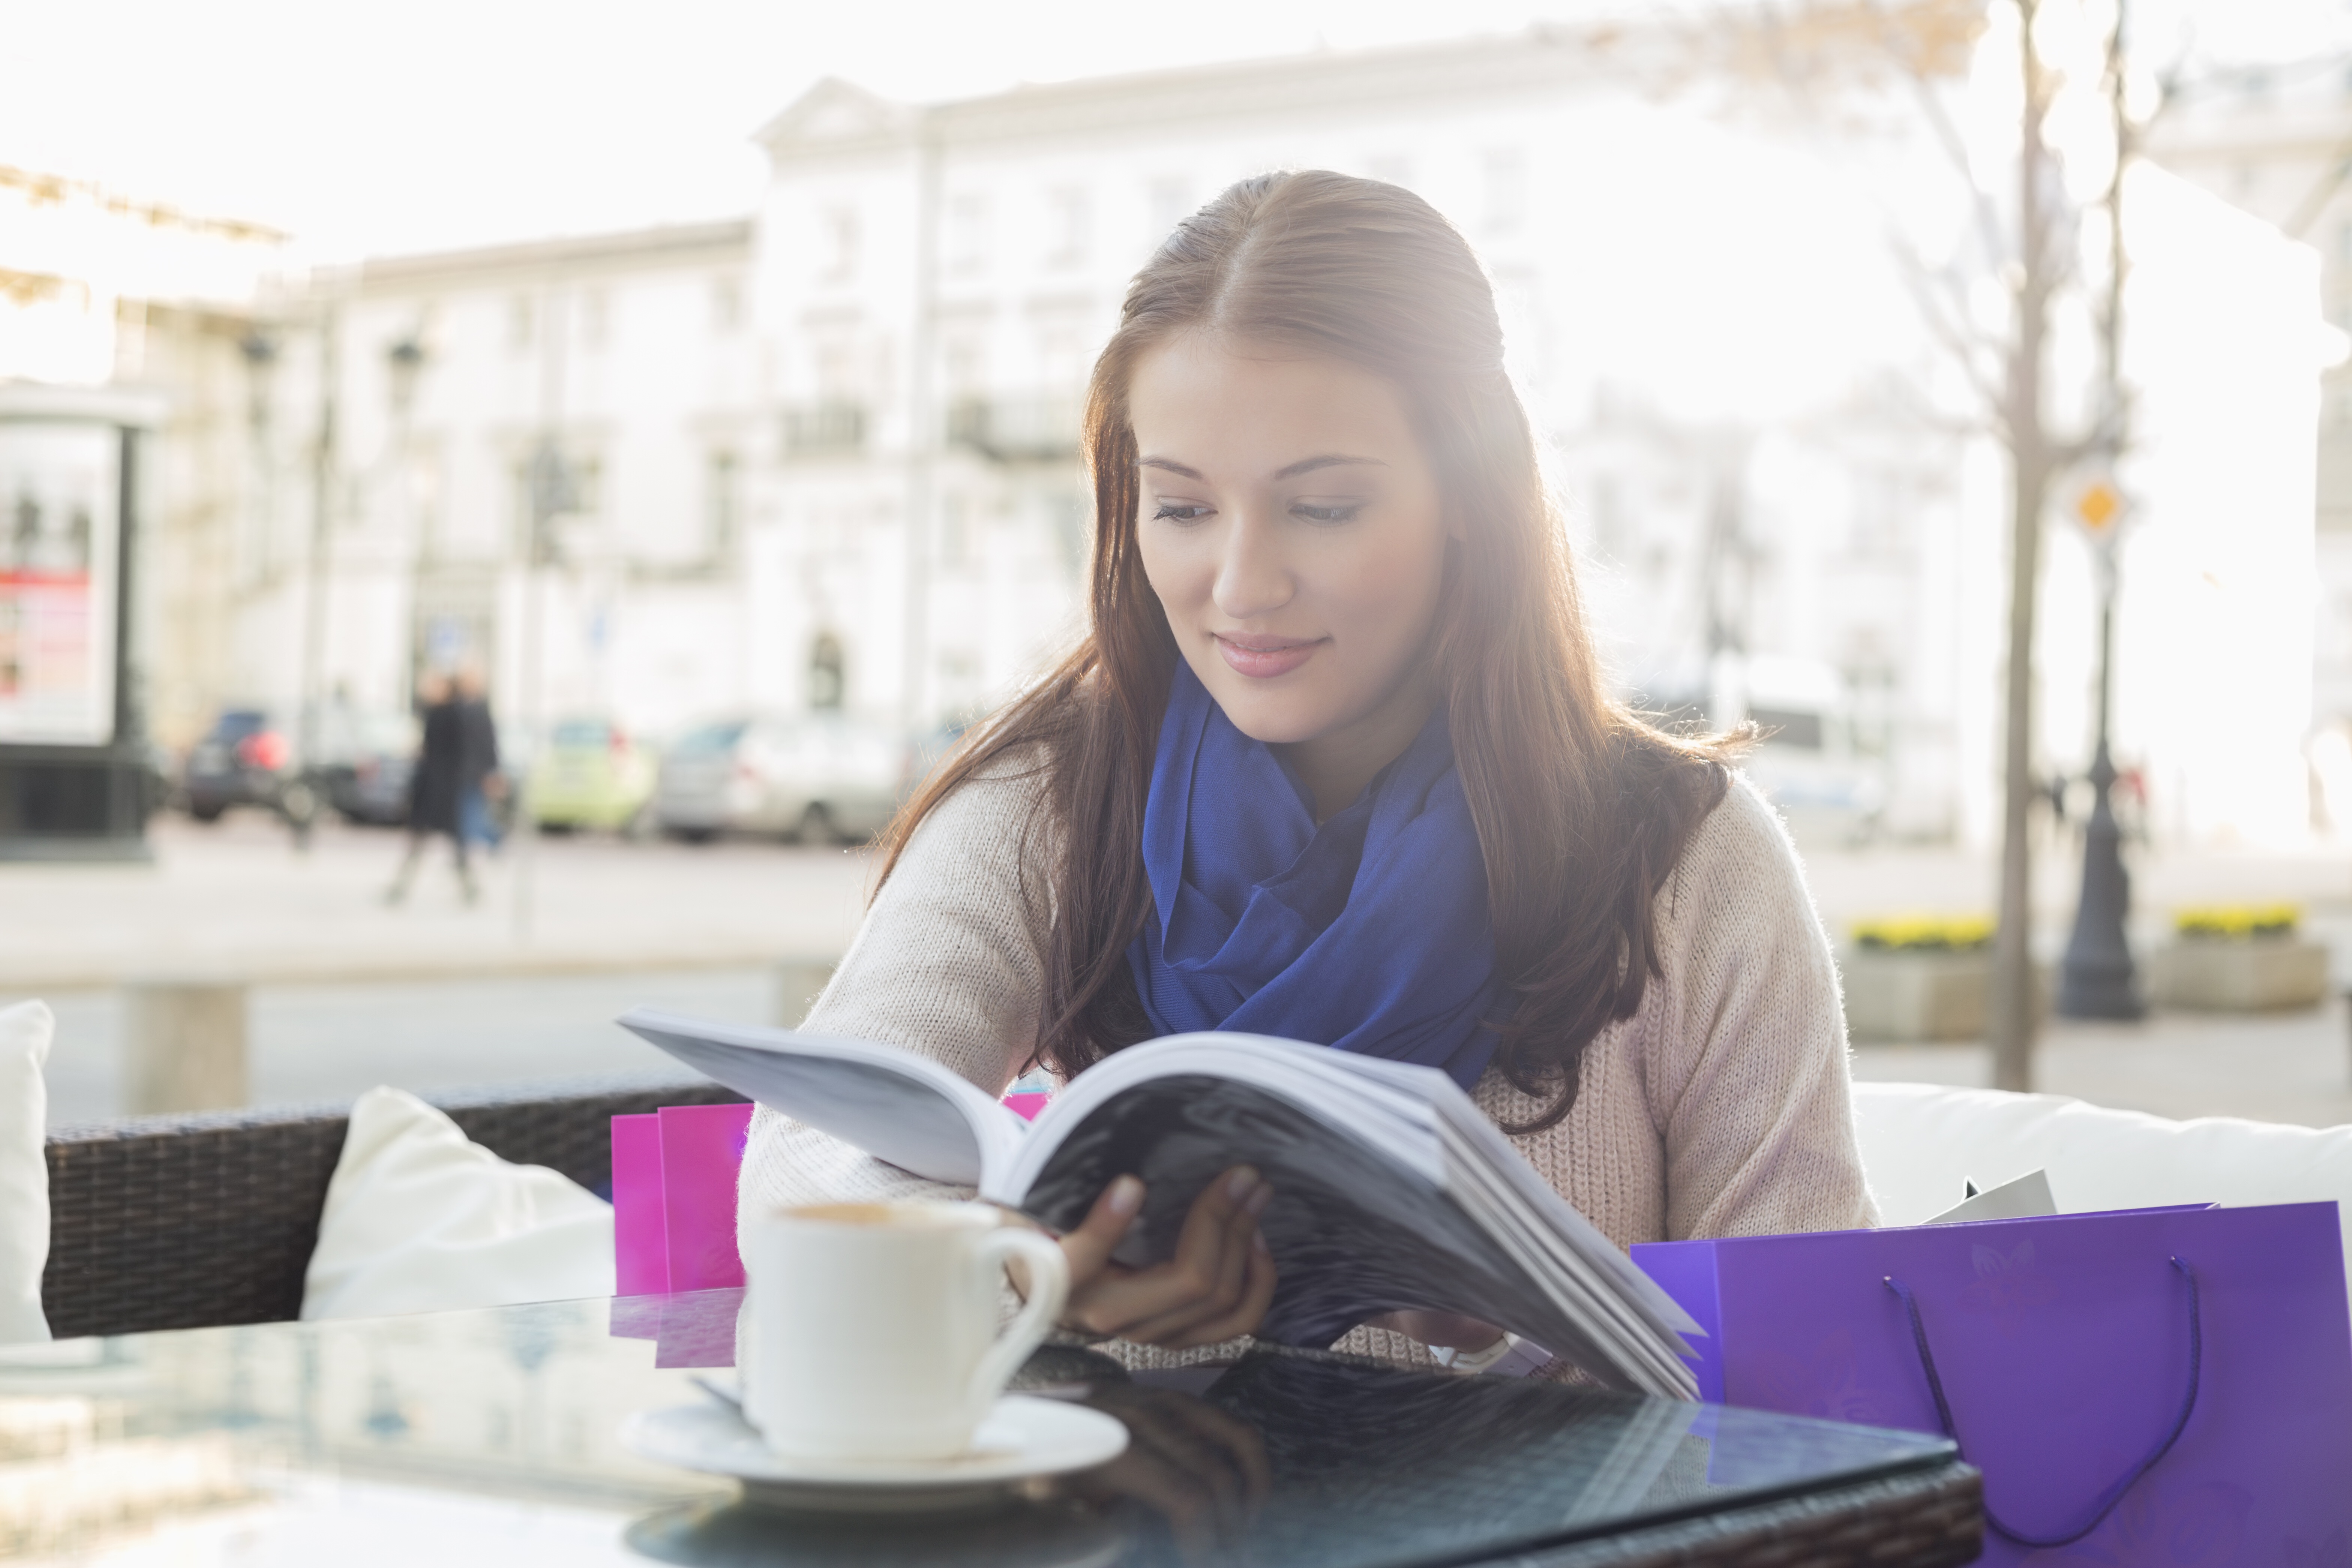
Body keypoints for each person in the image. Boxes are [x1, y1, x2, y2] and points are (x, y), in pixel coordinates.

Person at [738, 171, 1875, 1370]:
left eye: (1321, 506)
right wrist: (1022, 1271)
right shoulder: (1052, 803)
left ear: (1469, 498)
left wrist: (1517, 1335)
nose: (1240, 585)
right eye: (1180, 506)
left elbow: (1805, 1352)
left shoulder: (1693, 859)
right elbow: (809, 1157)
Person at [387, 668, 501, 906]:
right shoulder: (439, 713)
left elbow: (473, 748)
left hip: (445, 789)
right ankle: (405, 888)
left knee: (451, 843)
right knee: (433, 843)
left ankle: (468, 887)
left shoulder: (455, 714)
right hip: (435, 789)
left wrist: (485, 776)